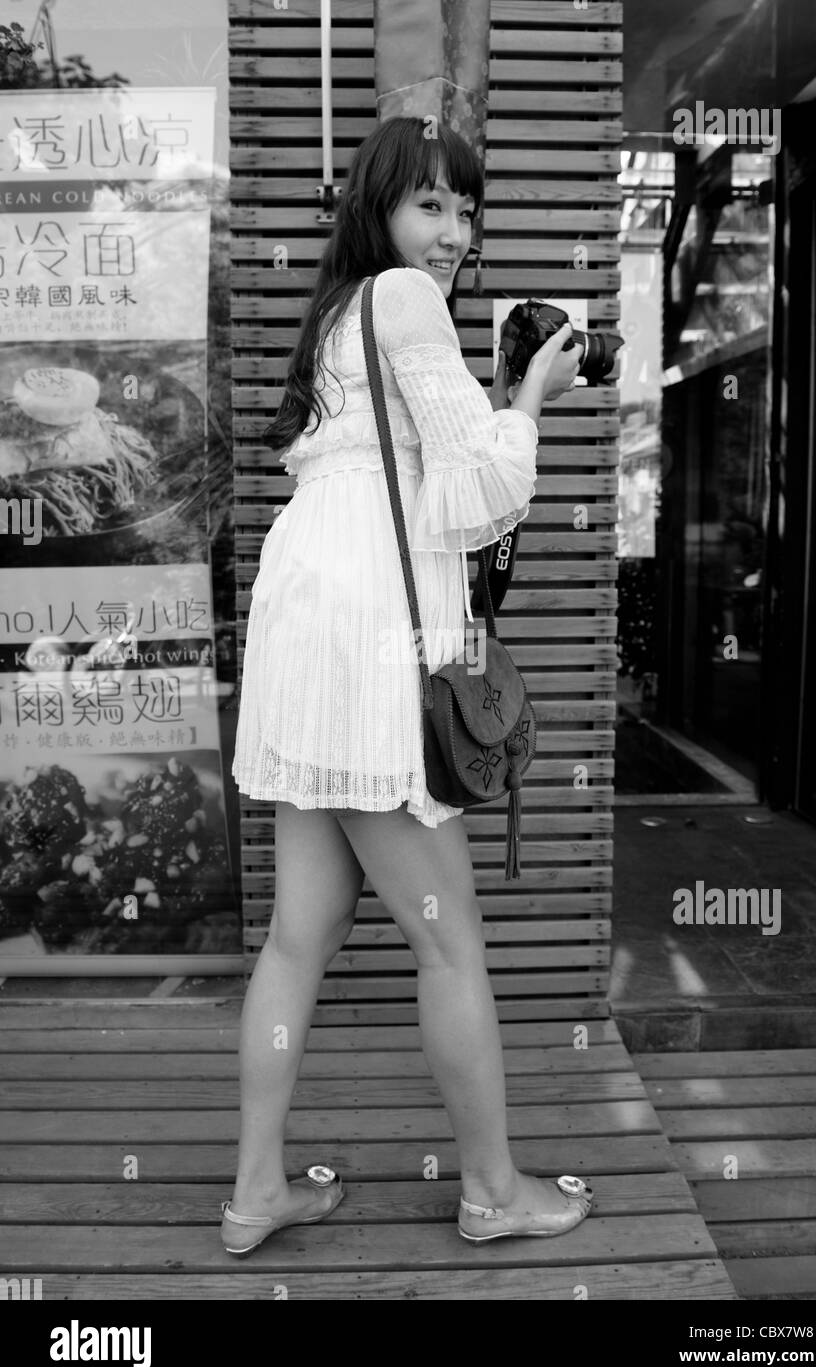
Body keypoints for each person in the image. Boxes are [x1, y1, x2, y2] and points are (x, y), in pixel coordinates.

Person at [222, 115, 591, 1256]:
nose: (454, 231)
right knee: (452, 942)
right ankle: (490, 1191)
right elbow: (476, 492)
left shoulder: (338, 313)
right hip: (374, 632)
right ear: (379, 208)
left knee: (297, 936)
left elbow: (414, 462)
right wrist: (529, 400)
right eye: (431, 204)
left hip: (306, 637)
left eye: (465, 209)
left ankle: (256, 1192)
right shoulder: (404, 299)